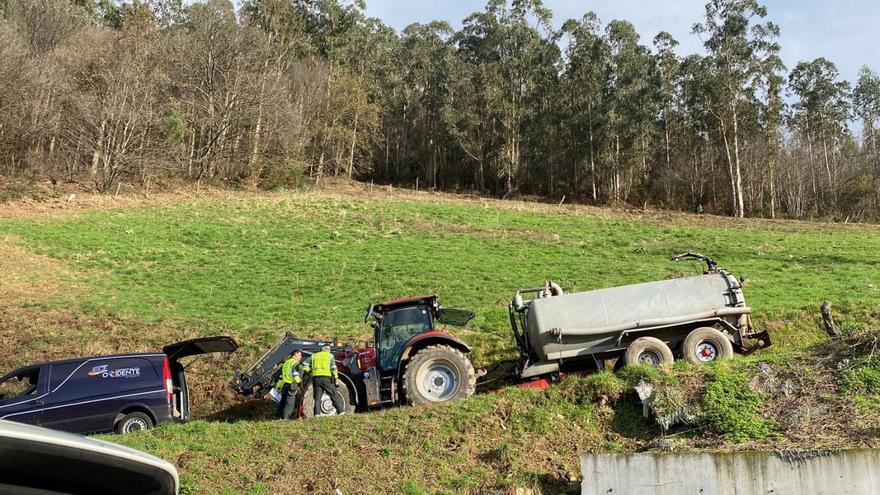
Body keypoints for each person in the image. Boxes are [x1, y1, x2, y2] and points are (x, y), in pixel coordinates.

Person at [301, 345, 345, 416]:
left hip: (316, 379)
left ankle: (317, 414)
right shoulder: (330, 356)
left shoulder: (314, 356)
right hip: (326, 379)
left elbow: (304, 364)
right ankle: (341, 412)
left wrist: (311, 371)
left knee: (317, 397)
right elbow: (333, 368)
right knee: (333, 394)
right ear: (328, 350)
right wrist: (336, 377)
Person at [274, 350, 303, 420]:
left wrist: (278, 386)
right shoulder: (295, 363)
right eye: (300, 355)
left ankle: (278, 416)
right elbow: (295, 374)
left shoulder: (286, 363)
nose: (301, 357)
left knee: (283, 402)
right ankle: (285, 418)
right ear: (295, 354)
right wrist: (300, 383)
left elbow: (281, 376)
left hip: (285, 385)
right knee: (290, 404)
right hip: (291, 385)